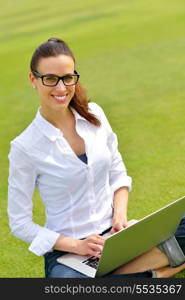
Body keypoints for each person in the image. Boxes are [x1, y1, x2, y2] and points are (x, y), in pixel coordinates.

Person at [7, 38, 185, 278]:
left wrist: (120, 216)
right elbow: (20, 223)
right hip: (68, 252)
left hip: (116, 236)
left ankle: (126, 272)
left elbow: (117, 172)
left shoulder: (95, 114)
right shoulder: (25, 146)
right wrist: (77, 246)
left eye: (67, 78)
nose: (61, 88)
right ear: (33, 80)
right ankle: (155, 274)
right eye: (50, 79)